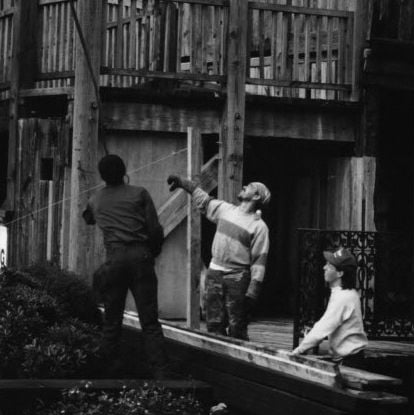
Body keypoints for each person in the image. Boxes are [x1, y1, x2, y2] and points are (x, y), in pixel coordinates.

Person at [84, 153, 168, 378]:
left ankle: (105, 376)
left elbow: (88, 218)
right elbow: (155, 230)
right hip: (140, 258)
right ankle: (161, 378)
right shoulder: (139, 193)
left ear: (102, 176)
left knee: (111, 322)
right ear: (124, 172)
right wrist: (152, 252)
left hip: (114, 261)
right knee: (149, 322)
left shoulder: (95, 199)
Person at [167, 174, 271, 340]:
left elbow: (259, 261)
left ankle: (237, 364)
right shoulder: (226, 210)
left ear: (257, 196)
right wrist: (184, 184)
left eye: (249, 186)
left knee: (237, 326)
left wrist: (253, 289)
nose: (244, 186)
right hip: (214, 273)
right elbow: (204, 201)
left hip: (238, 278)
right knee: (214, 324)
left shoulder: (259, 227)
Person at [288, 247, 368, 369]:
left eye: (330, 266)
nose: (324, 268)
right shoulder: (346, 293)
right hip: (348, 357)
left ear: (340, 273)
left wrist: (298, 350)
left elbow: (323, 327)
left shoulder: (343, 297)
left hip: (349, 361)